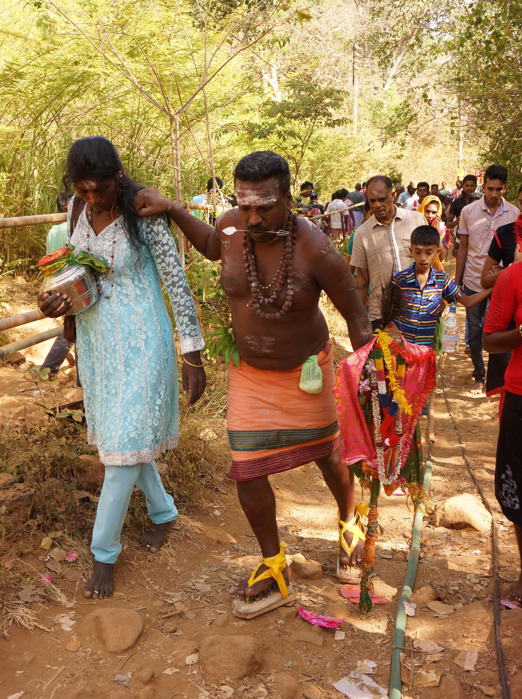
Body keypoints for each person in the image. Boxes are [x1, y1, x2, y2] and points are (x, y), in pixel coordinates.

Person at [134, 150, 373, 616]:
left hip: (306, 373)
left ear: (287, 196)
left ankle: (349, 522)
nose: (253, 217)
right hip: (249, 375)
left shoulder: (315, 247)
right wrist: (173, 208)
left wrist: (370, 377)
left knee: (328, 452)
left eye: (264, 207)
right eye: (245, 206)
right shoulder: (230, 228)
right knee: (247, 465)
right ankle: (273, 563)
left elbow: (358, 317)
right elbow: (208, 242)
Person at [37, 137, 206, 599]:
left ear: (119, 175)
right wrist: (56, 299)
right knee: (122, 442)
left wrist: (192, 353)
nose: (93, 198)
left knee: (121, 451)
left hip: (144, 342)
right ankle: (164, 512)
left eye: (101, 188)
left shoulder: (142, 211)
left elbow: (175, 281)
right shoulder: (76, 211)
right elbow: (77, 271)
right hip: (98, 345)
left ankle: (104, 554)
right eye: (84, 190)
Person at [455, 164, 519, 394]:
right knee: (474, 332)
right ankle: (479, 374)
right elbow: (462, 248)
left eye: (499, 189)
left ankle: (498, 380)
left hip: (504, 285)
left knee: (497, 332)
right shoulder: (468, 212)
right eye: (490, 188)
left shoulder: (514, 214)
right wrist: (457, 279)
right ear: (484, 187)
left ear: (505, 188)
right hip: (473, 280)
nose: (494, 194)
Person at [483, 264, 522, 604]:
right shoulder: (512, 278)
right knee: (520, 490)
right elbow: (489, 340)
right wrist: (521, 333)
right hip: (520, 398)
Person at [392, 226, 492, 347]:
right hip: (400, 350)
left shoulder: (441, 280)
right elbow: (389, 313)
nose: (423, 258)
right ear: (411, 251)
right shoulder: (399, 279)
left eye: (429, 253)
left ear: (437, 252)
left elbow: (468, 301)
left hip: (426, 352)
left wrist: (493, 287)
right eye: (418, 252)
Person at [350, 176, 426, 329]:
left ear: (393, 196)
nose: (376, 205)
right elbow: (362, 280)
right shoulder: (362, 234)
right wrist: (359, 321)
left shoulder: (416, 220)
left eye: (382, 199)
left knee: (420, 353)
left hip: (418, 309)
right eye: (372, 201)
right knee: (384, 353)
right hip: (380, 315)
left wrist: (437, 299)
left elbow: (430, 262)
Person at [480, 184, 522, 409]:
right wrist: (514, 268)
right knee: (510, 396)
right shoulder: (505, 233)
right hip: (508, 326)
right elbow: (485, 279)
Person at [41, 193, 75, 377]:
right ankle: (49, 368)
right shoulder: (72, 226)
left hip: (57, 281)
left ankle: (49, 368)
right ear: (67, 208)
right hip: (72, 281)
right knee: (74, 325)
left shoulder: (52, 231)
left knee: (71, 324)